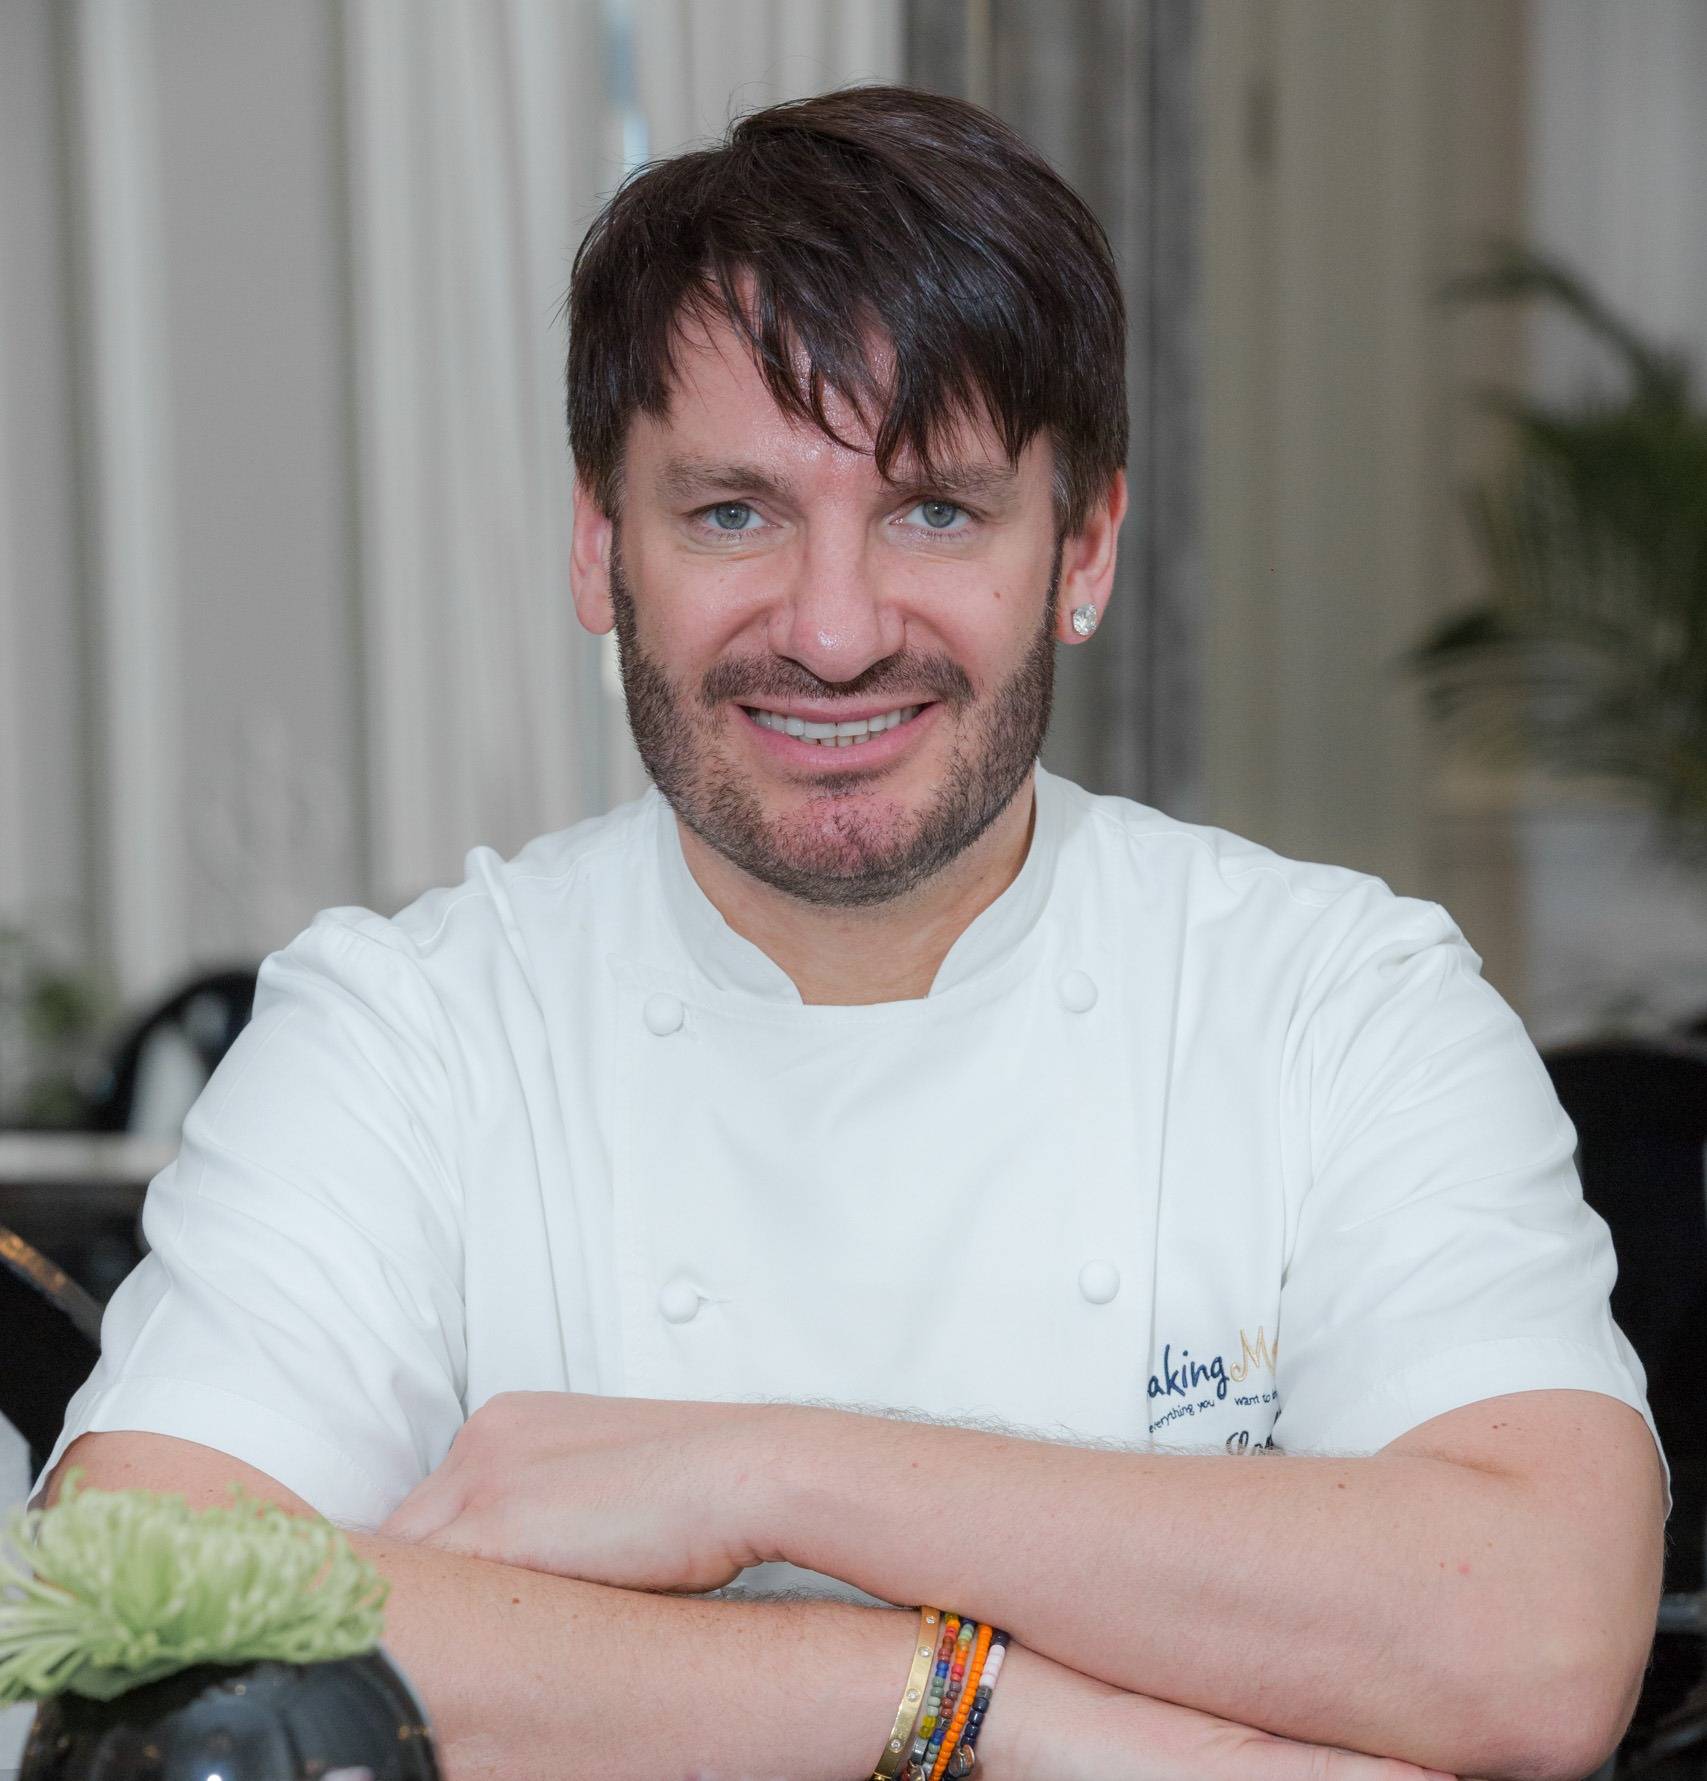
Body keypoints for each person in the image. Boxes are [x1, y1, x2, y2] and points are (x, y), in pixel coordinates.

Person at [37, 85, 1663, 1781]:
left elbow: (1539, 1637)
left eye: (935, 510)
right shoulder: (412, 1031)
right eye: (732, 512)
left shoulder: (1340, 1005)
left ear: (1084, 548)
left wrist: (767, 1475)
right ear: (600, 548)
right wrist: (974, 1704)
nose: (830, 632)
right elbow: (133, 1616)